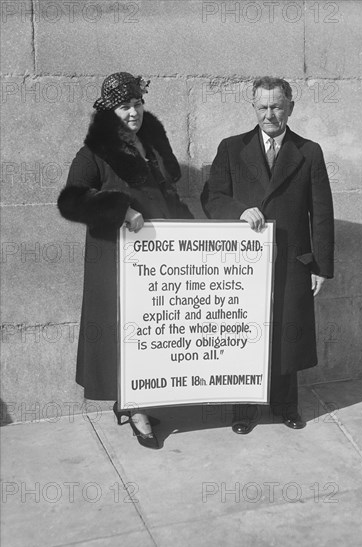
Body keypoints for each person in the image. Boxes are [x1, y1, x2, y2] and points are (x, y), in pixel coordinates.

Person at [58, 72, 193, 449]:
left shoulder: (149, 149)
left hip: (154, 261)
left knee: (148, 331)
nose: (132, 112)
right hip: (114, 261)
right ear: (109, 112)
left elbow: (168, 194)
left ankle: (138, 401)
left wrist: (193, 237)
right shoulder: (93, 154)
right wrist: (121, 209)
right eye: (124, 106)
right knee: (123, 332)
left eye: (137, 104)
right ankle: (135, 408)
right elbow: (72, 199)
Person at [201, 76, 334, 434]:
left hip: (293, 261)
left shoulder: (309, 151)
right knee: (245, 333)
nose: (270, 114)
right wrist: (239, 211)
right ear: (253, 108)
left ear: (291, 106)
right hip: (244, 264)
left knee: (287, 336)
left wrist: (320, 266)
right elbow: (211, 196)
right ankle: (242, 410)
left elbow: (320, 212)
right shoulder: (231, 148)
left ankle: (286, 405)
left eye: (277, 106)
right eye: (263, 107)